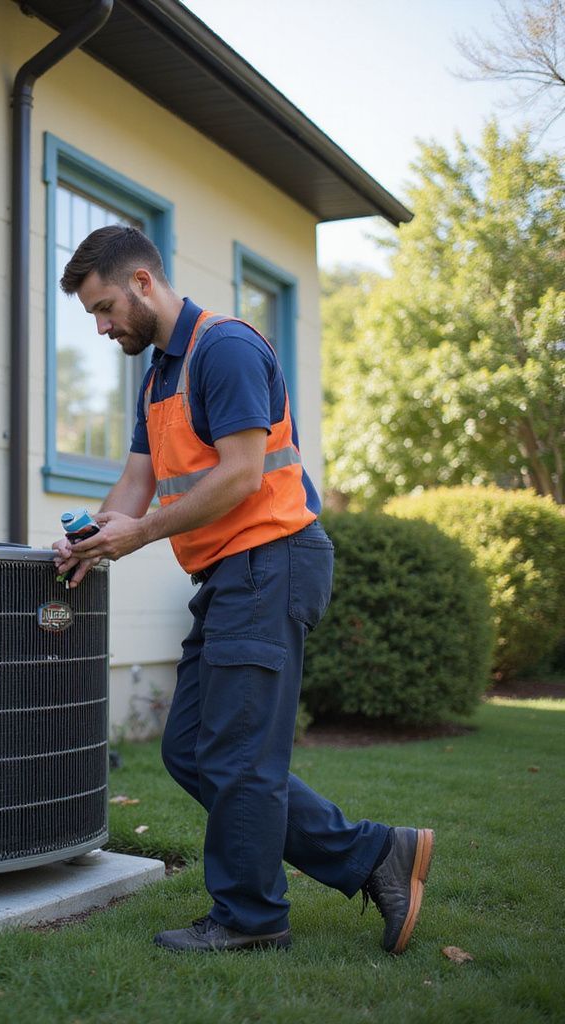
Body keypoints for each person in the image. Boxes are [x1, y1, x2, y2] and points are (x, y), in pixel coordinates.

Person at [52, 225, 433, 955]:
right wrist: (94, 535)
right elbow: (137, 482)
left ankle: (251, 918)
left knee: (237, 759)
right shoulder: (160, 371)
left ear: (141, 284)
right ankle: (373, 854)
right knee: (193, 750)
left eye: (104, 309)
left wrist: (139, 534)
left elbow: (240, 475)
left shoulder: (222, 348)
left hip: (270, 561)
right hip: (233, 572)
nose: (101, 328)